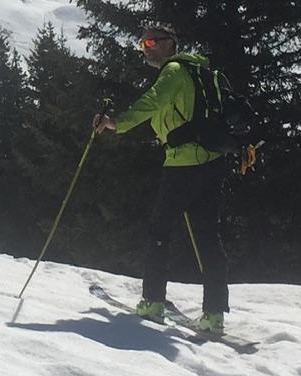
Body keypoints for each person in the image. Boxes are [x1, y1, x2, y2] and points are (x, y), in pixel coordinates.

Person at [92, 24, 231, 332]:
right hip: (213, 161)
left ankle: (153, 302)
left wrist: (117, 123)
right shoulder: (201, 72)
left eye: (152, 42)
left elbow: (153, 101)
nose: (147, 48)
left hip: (182, 164)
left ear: (170, 44)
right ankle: (214, 314)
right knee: (208, 236)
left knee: (159, 231)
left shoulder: (174, 70)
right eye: (142, 44)